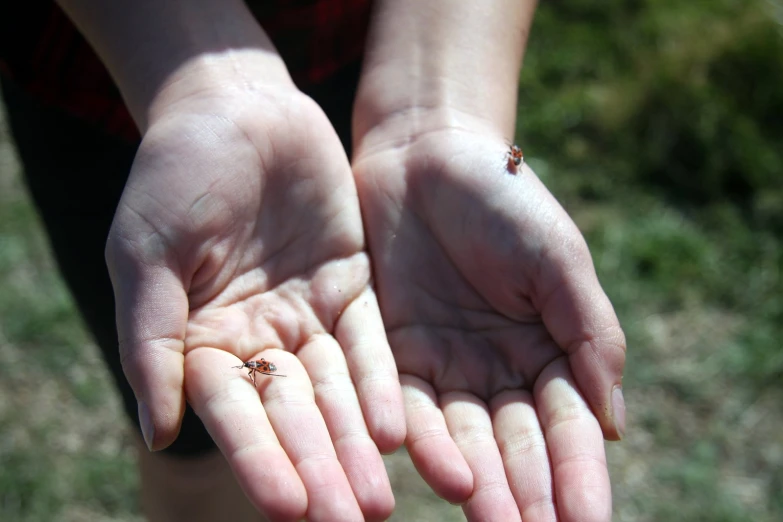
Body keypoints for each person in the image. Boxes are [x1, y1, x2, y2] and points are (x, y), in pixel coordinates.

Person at [0, 1, 627, 521]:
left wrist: (441, 109)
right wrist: (204, 82)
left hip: (377, 33)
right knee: (190, 441)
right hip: (112, 48)